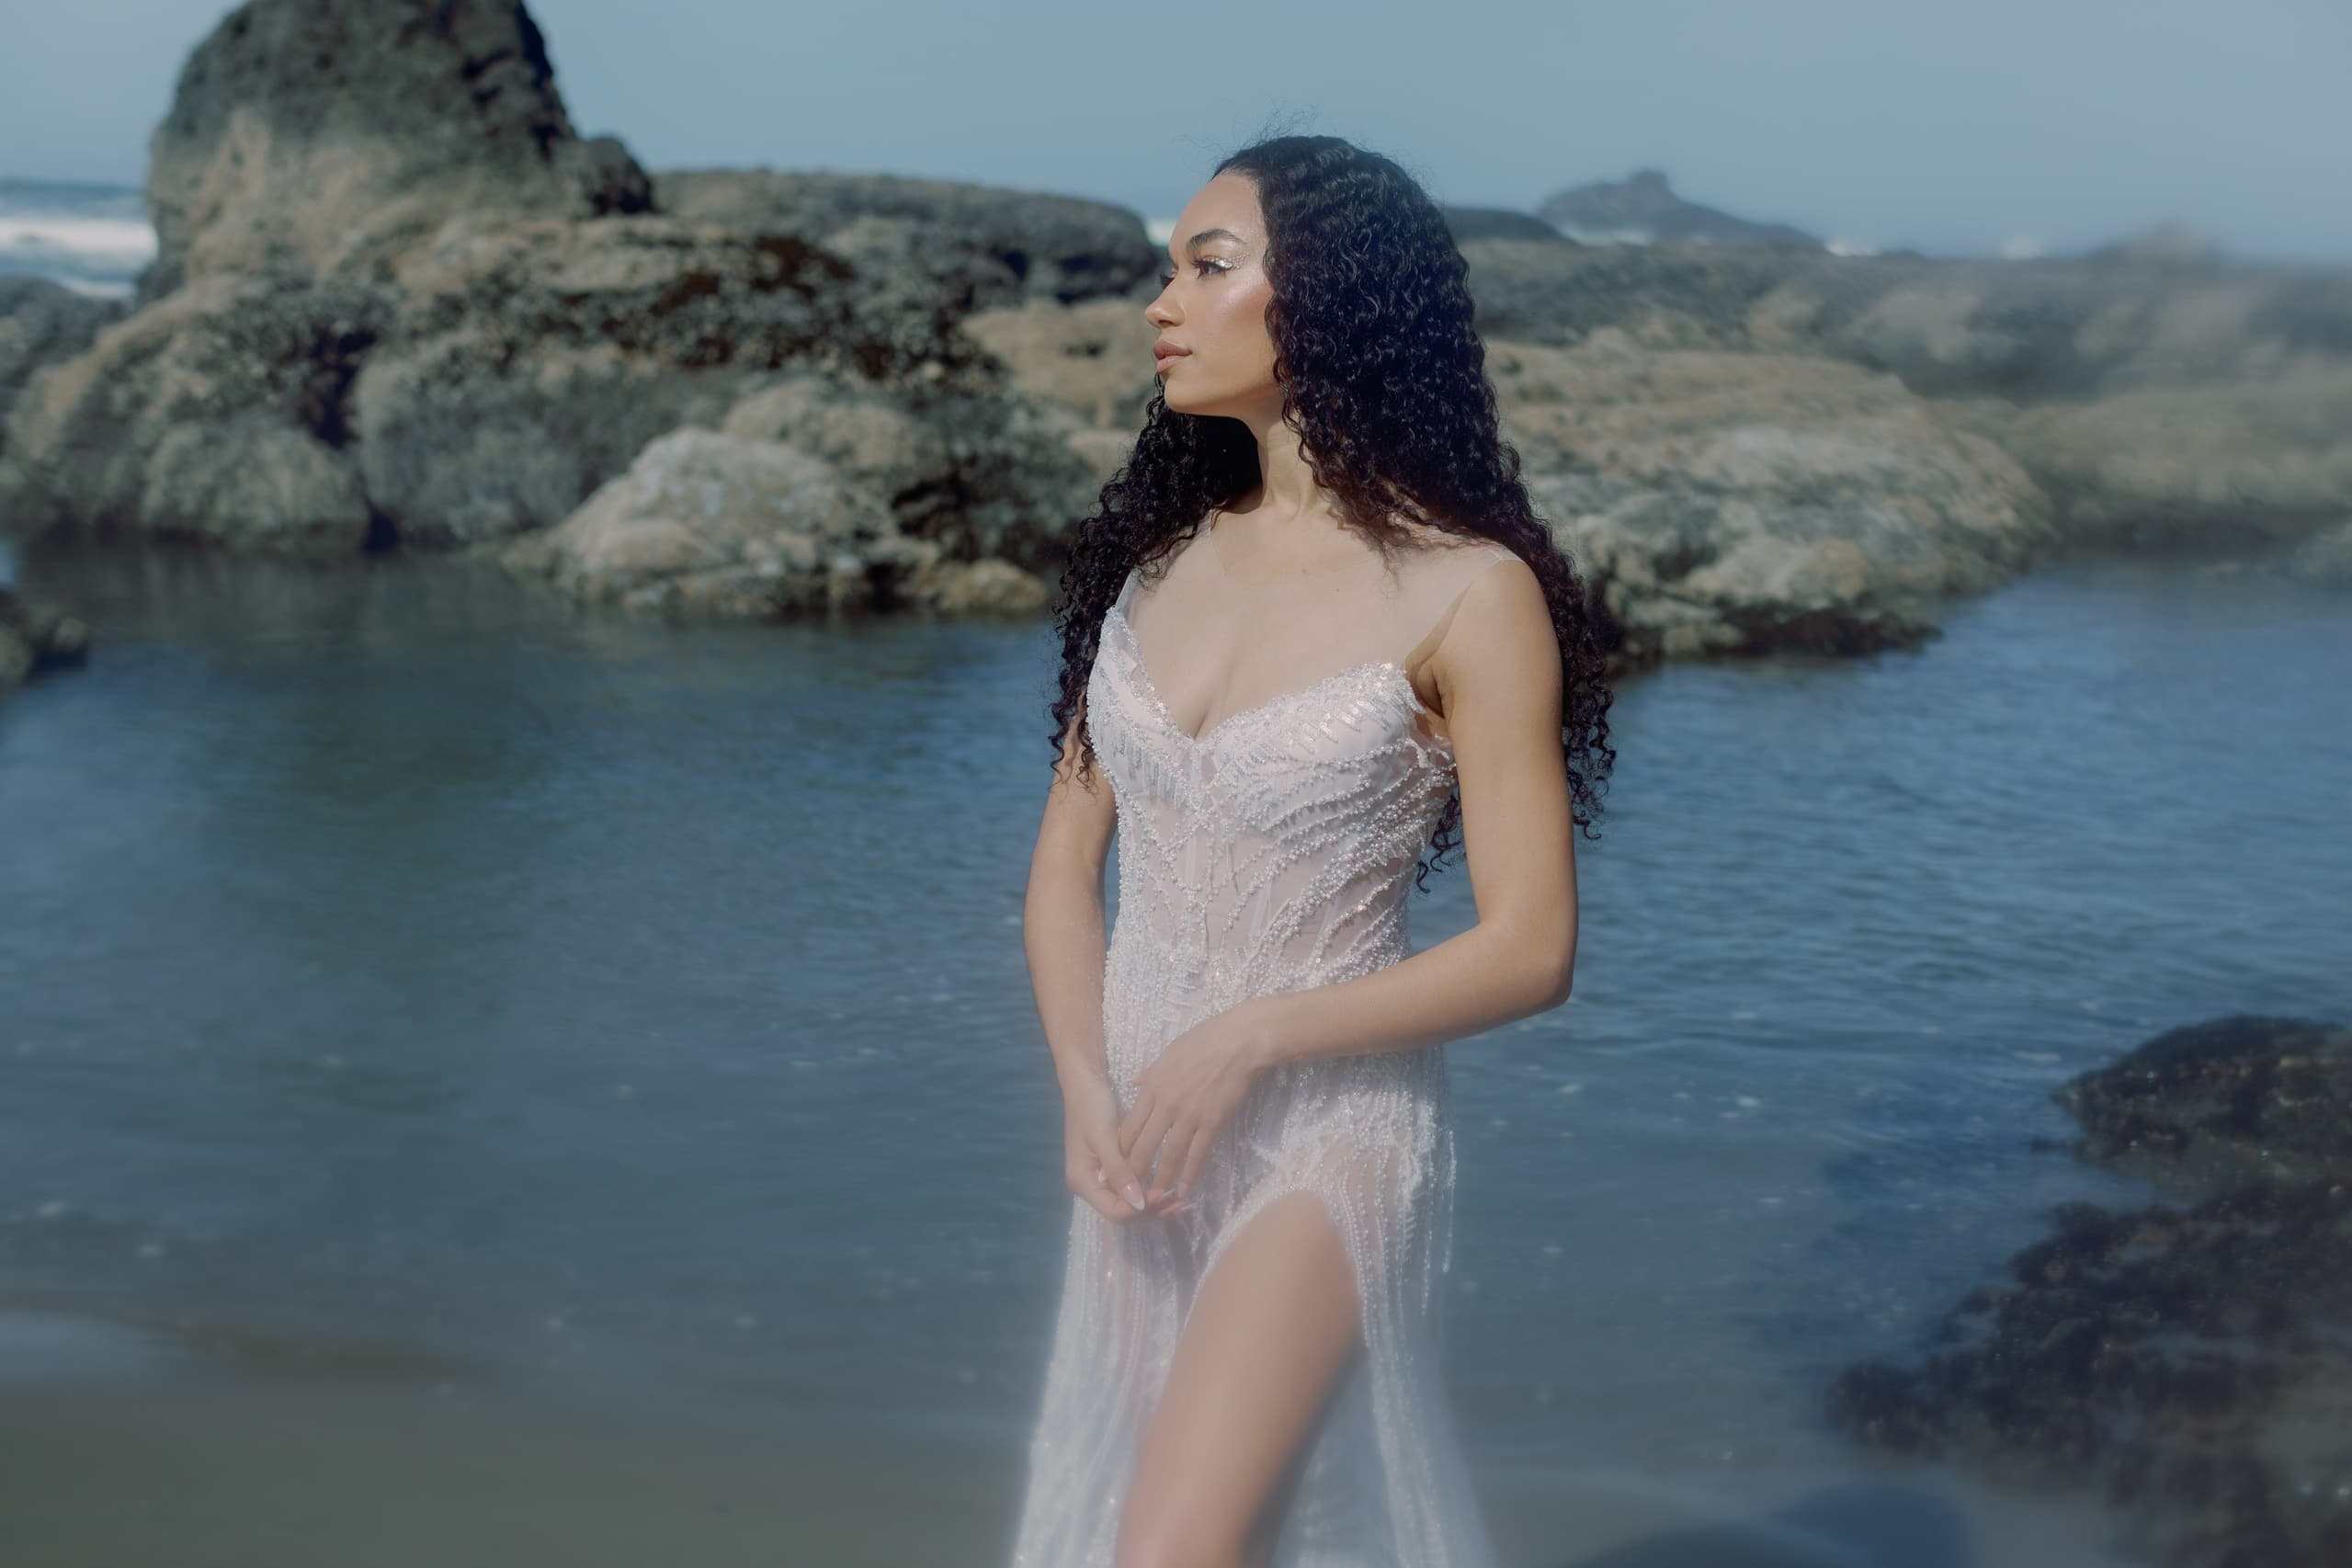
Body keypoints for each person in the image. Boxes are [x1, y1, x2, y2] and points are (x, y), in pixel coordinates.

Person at [1010, 132, 1616, 1568]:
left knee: (1171, 1547)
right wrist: (1081, 1088)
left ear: (1329, 299)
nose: (1162, 302)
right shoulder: (1150, 568)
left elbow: (1530, 948)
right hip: (1142, 1136)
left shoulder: (1470, 594)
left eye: (1206, 267)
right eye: (1169, 267)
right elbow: (1059, 874)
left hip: (1326, 1132)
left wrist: (1252, 1039)